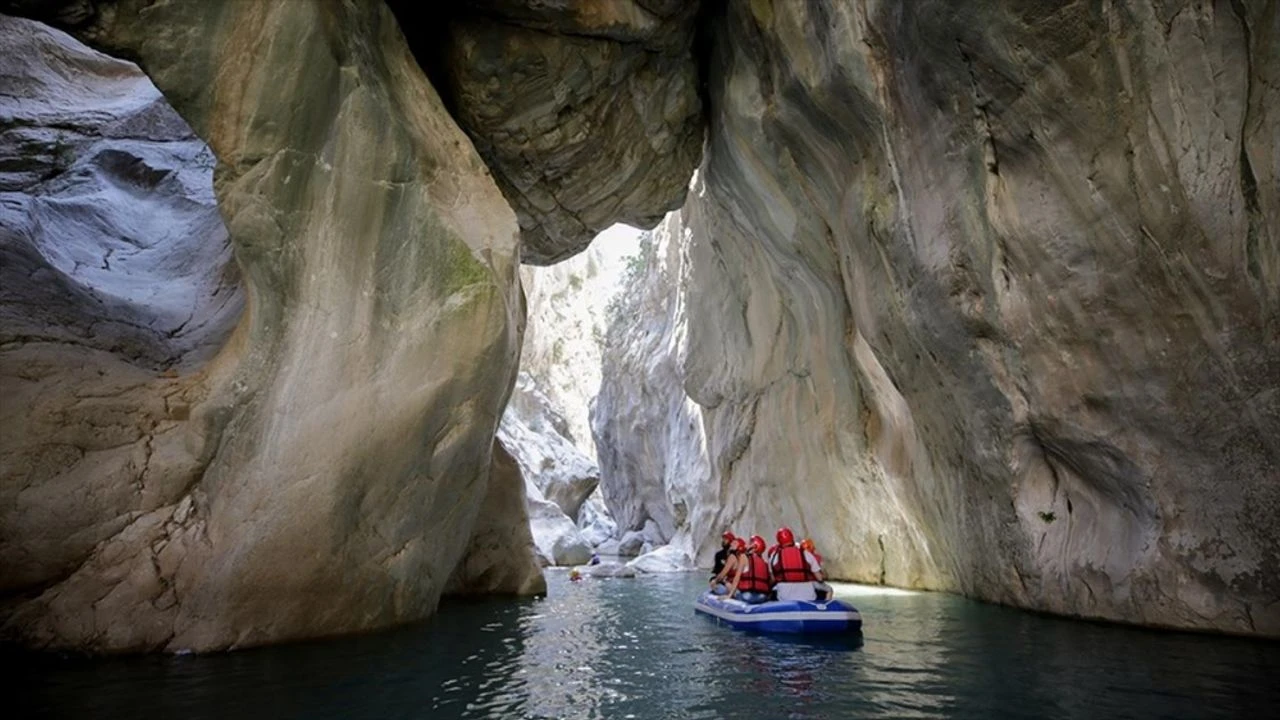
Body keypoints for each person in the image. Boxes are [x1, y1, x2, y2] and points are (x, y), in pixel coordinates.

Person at [768, 527, 824, 602]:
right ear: (792, 538)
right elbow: (820, 578)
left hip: (785, 598)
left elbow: (773, 579)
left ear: (778, 541)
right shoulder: (805, 553)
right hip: (808, 597)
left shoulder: (774, 556)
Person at [727, 535, 772, 604]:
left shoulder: (744, 557)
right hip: (762, 597)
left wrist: (729, 595)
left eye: (750, 543)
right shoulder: (764, 562)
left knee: (728, 584)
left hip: (747, 597)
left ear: (754, 547)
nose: (747, 545)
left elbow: (737, 577)